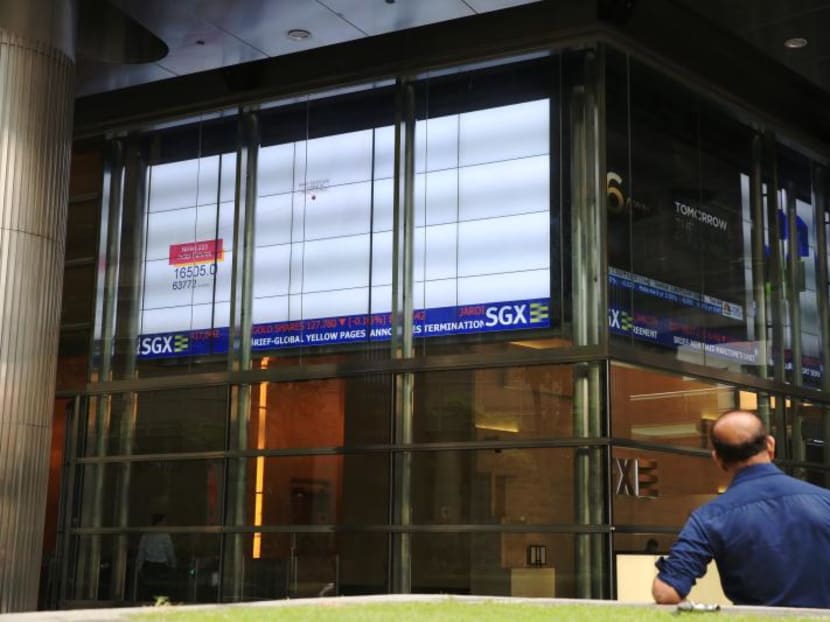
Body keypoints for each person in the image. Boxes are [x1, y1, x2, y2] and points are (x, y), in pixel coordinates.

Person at [652, 410, 830, 608]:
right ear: (770, 445)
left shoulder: (709, 517)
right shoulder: (825, 501)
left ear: (717, 459)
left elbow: (666, 592)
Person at [136, 513, 177, 601]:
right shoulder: (165, 535)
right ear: (160, 522)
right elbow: (169, 552)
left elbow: (141, 552)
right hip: (161, 567)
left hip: (148, 566)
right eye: (164, 522)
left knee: (149, 591)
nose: (165, 524)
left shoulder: (146, 535)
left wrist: (139, 567)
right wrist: (173, 565)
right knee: (161, 591)